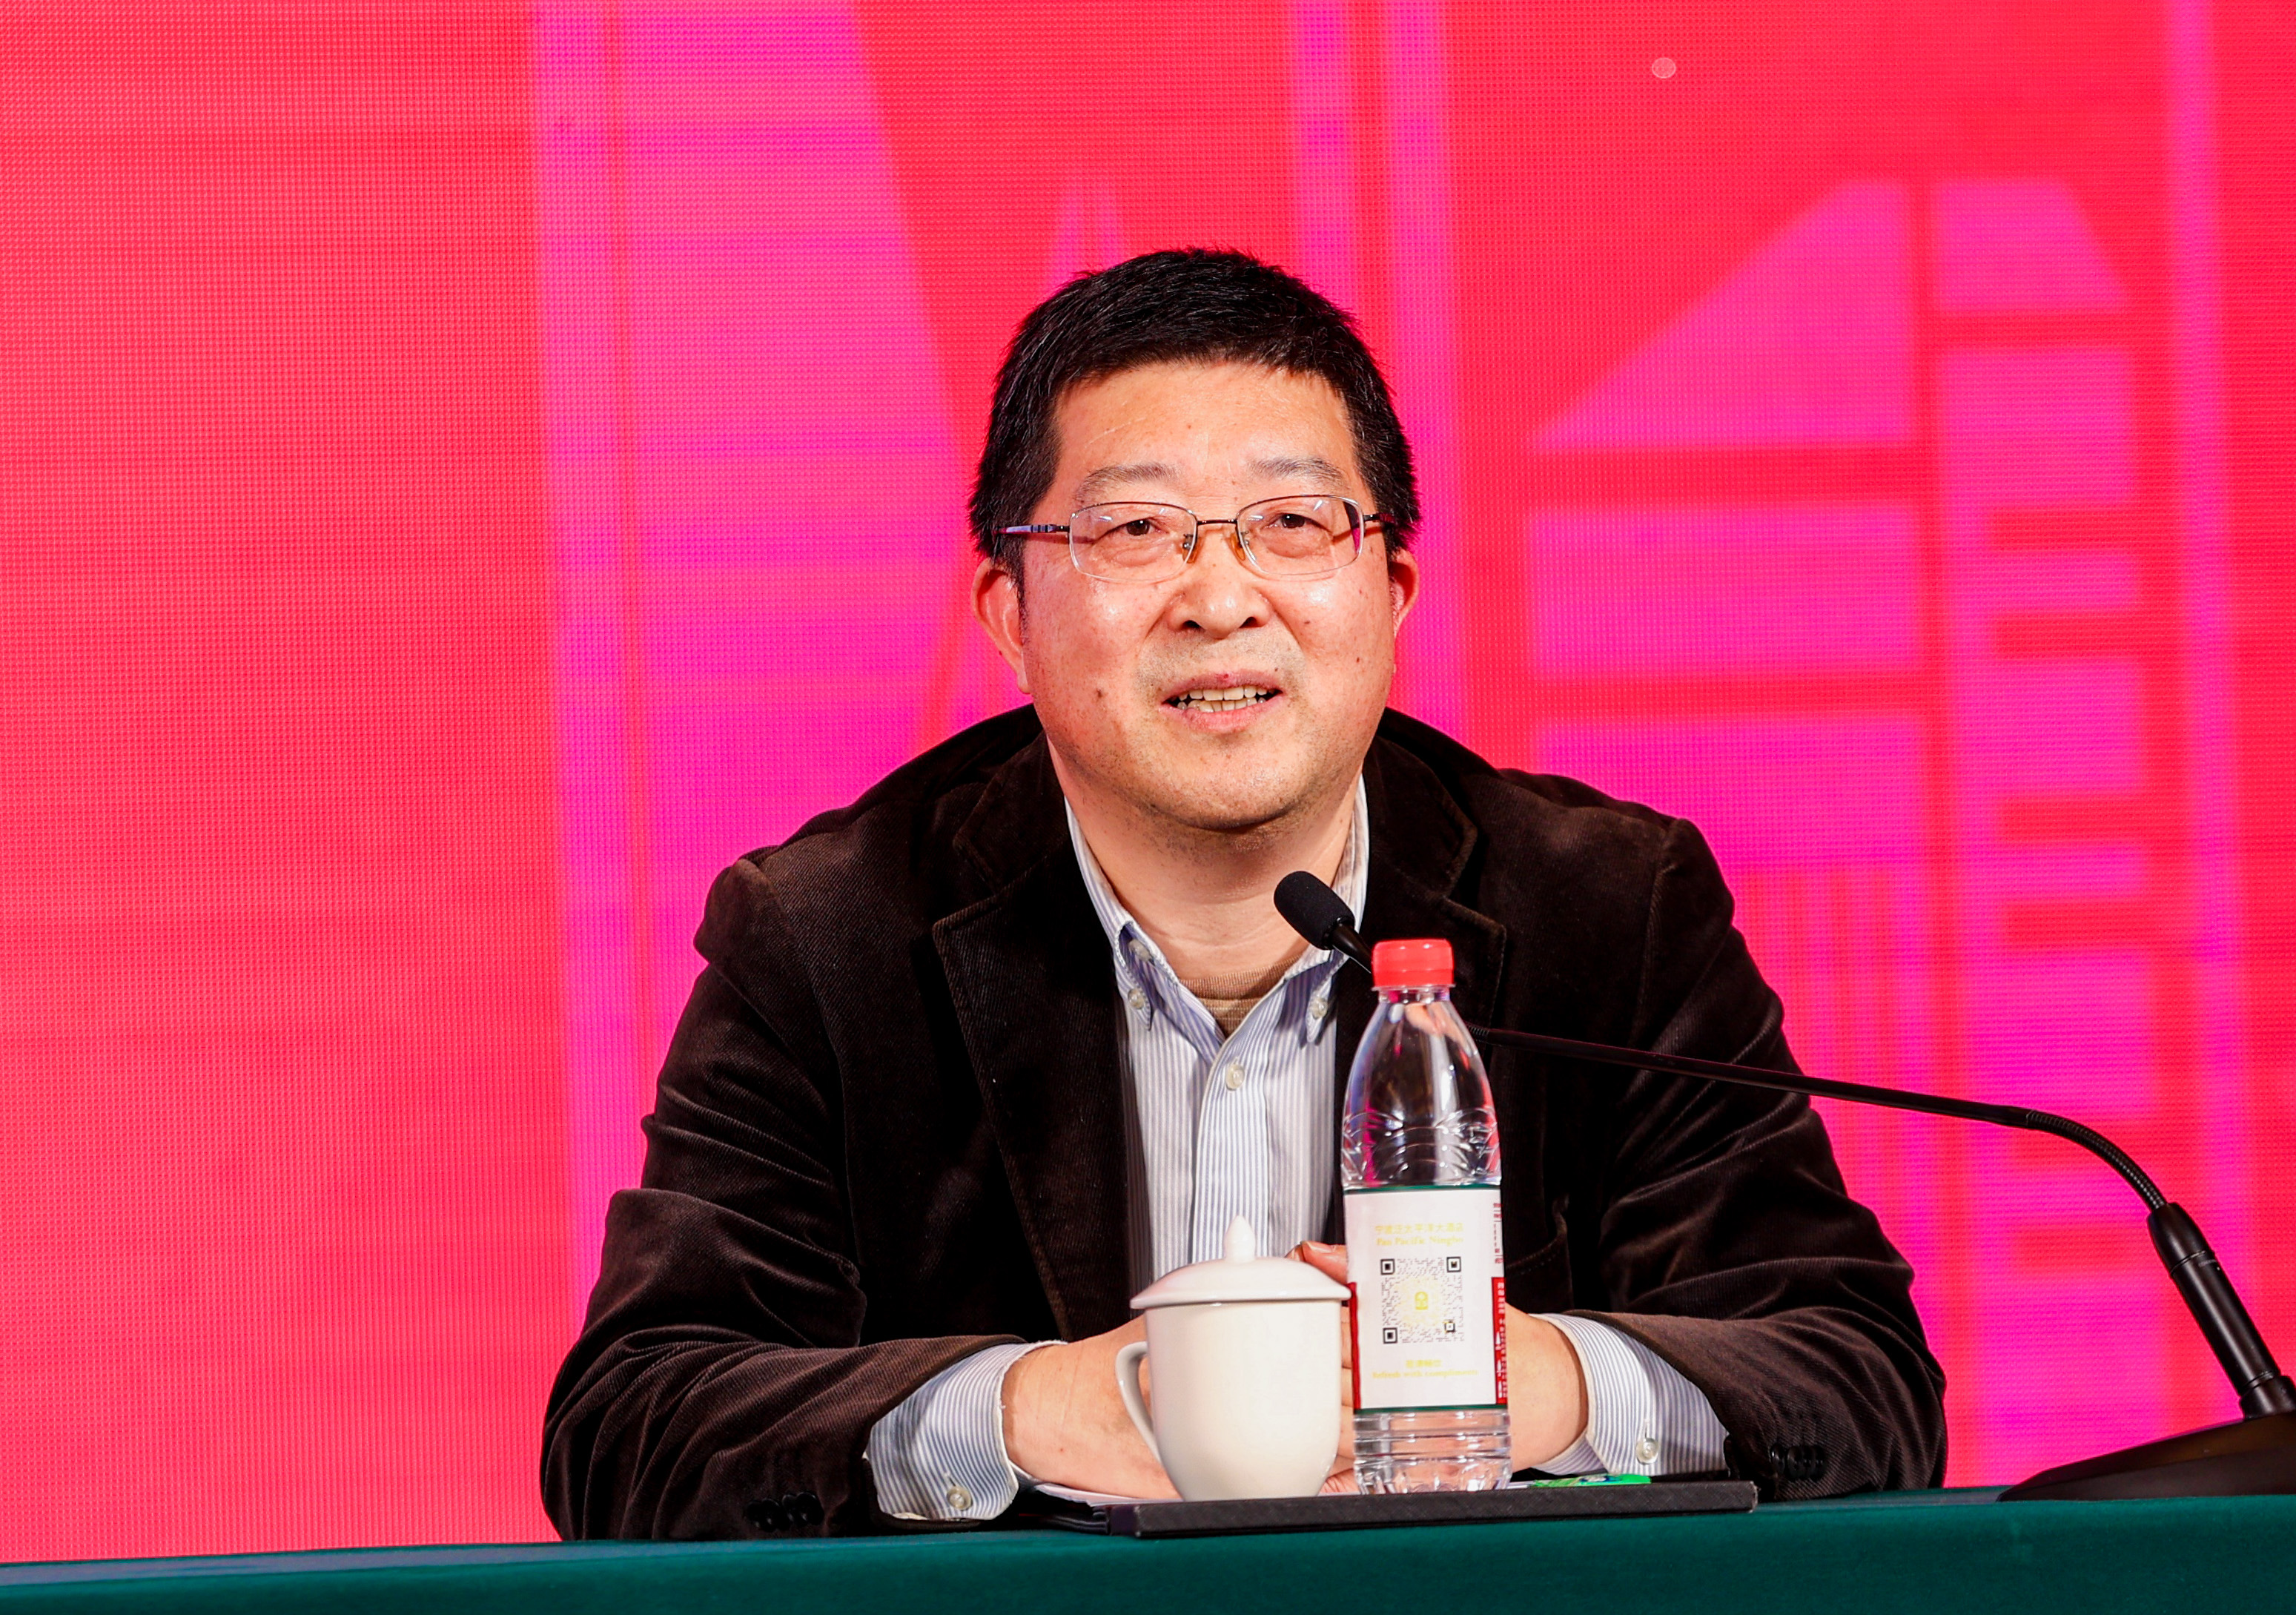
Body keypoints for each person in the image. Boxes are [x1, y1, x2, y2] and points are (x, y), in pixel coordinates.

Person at [542, 249, 1945, 1538]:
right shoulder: (828, 937)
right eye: (1135, 530)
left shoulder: (1607, 909)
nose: (1220, 599)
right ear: (1009, 617)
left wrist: (1542, 1385)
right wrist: (1030, 1412)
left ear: (1390, 588)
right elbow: (631, 1429)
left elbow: (1856, 1383)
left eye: (1290, 521)